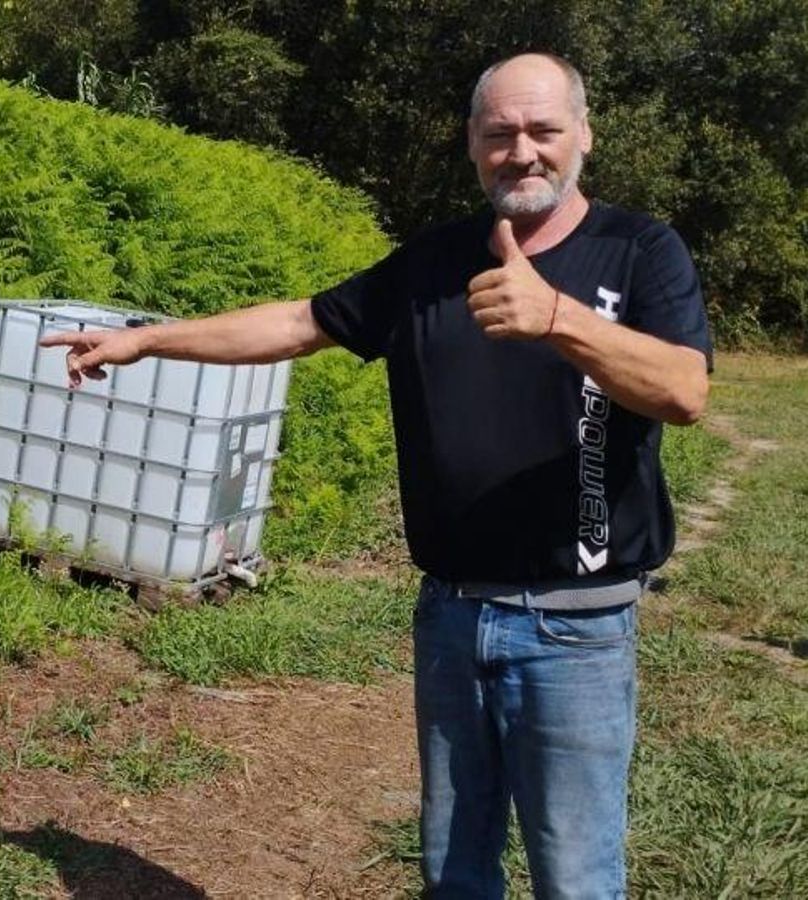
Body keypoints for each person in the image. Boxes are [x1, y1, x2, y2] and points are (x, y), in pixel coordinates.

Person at [40, 52, 711, 899]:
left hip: (576, 628)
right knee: (453, 871)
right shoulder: (433, 263)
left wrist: (557, 318)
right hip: (453, 616)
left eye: (544, 130)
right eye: (501, 133)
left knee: (575, 878)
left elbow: (685, 390)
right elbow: (298, 321)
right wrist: (143, 340)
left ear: (584, 134)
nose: (524, 151)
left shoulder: (640, 251)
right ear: (472, 142)